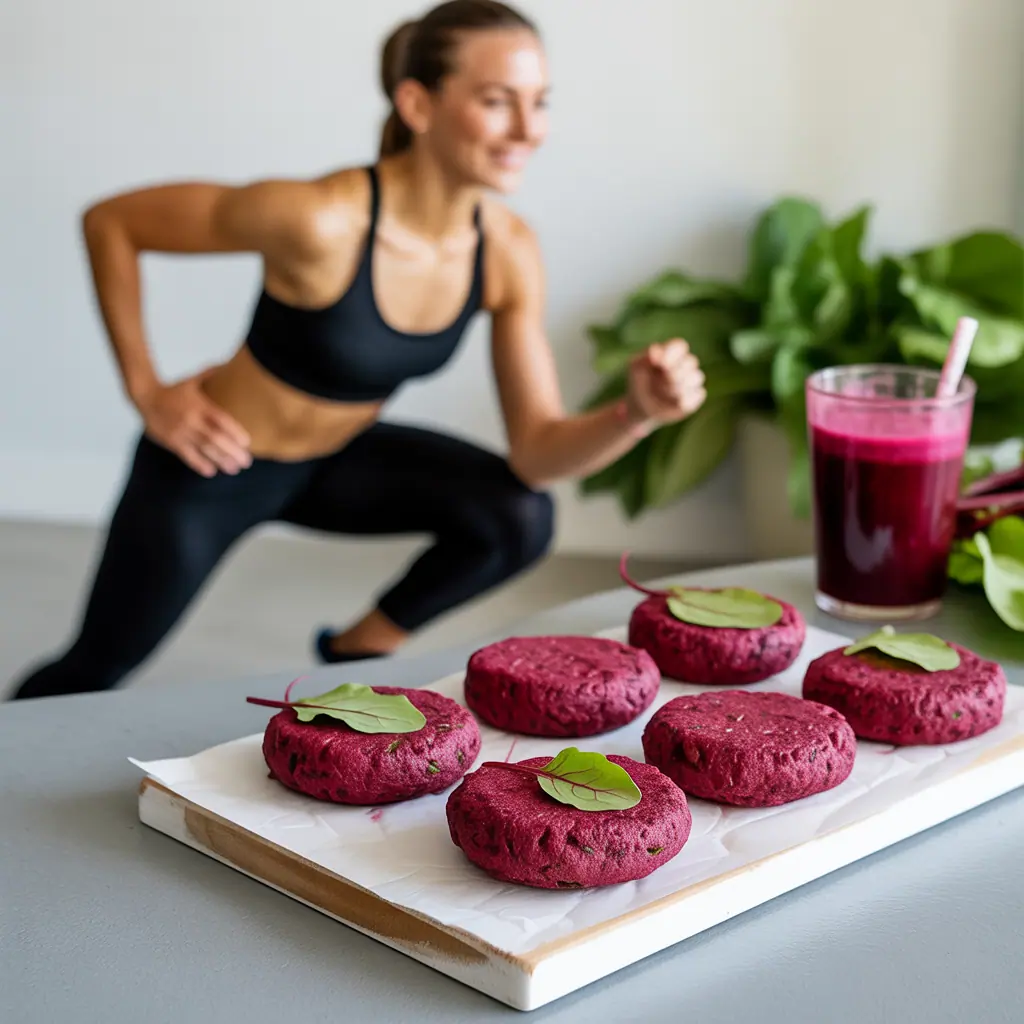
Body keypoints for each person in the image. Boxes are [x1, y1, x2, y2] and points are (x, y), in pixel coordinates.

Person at [10, 0, 705, 701]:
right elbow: (114, 223)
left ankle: (360, 648)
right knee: (93, 672)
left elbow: (536, 454)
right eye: (498, 102)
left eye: (540, 102)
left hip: (339, 462)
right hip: (214, 465)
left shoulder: (507, 251)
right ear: (418, 104)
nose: (530, 130)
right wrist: (148, 391)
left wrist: (636, 412)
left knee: (518, 513)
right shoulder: (319, 219)